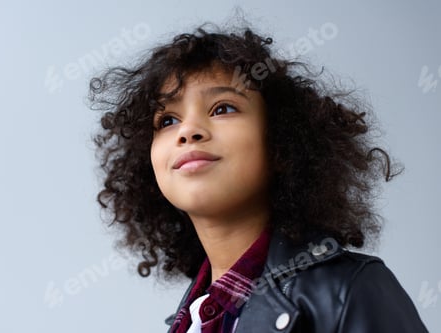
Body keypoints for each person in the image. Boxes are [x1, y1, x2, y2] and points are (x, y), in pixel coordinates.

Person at [89, 23, 429, 332]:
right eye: (167, 121)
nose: (188, 131)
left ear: (281, 141)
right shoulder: (193, 321)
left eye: (223, 108)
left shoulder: (352, 290)